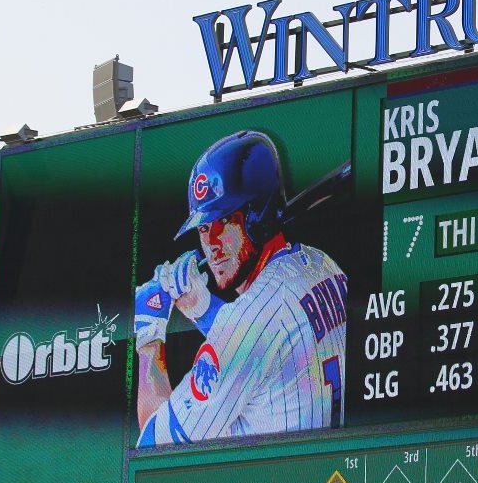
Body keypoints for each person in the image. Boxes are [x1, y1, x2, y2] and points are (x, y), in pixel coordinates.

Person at [135, 130, 348, 446]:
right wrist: (203, 307)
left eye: (225, 223)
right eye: (204, 229)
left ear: (257, 217)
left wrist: (148, 334)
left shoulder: (247, 322)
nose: (212, 246)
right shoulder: (322, 265)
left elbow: (155, 445)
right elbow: (263, 349)